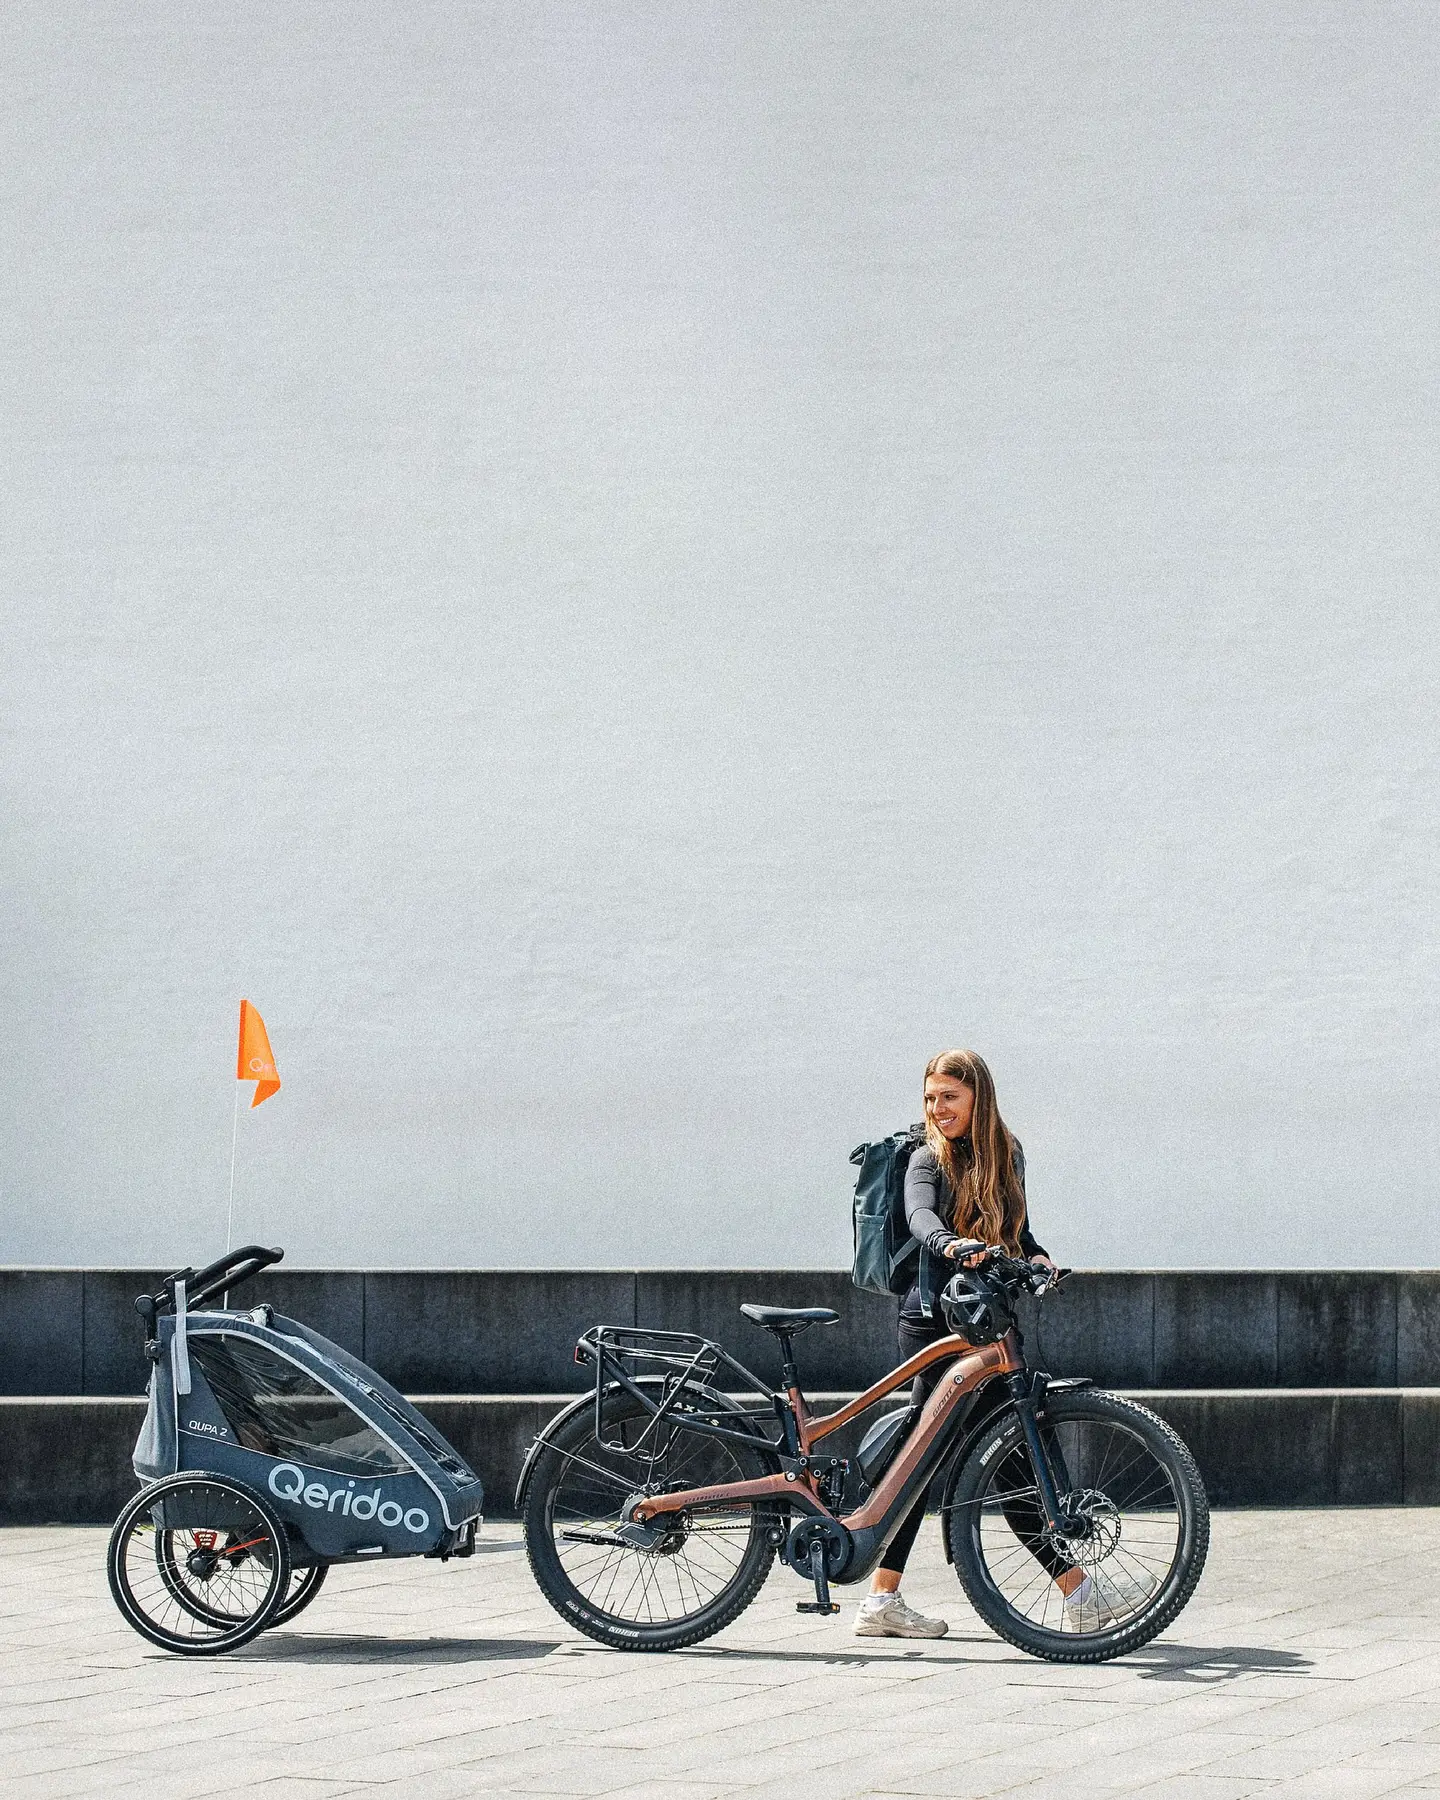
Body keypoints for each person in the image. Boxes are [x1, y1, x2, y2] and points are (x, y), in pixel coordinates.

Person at [853, 1047, 1091, 1640]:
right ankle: (1078, 1591)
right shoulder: (922, 1157)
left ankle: (883, 1598)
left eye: (949, 1098)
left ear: (978, 1098)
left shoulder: (1007, 1156)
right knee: (932, 1458)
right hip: (934, 1319)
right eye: (931, 1098)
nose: (938, 1109)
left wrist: (1037, 1258)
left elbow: (1020, 1229)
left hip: (989, 1318)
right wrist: (953, 1245)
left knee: (996, 1454)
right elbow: (920, 1219)